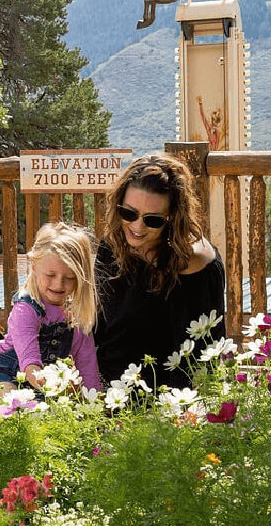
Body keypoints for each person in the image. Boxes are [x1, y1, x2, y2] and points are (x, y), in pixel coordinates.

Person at [93, 154, 226, 389]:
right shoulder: (113, 245)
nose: (137, 226)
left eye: (153, 220)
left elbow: (198, 355)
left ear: (173, 217)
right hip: (106, 389)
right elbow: (101, 328)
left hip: (166, 399)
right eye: (129, 213)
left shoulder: (194, 264)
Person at [0, 222, 102, 392]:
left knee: (72, 395)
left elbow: (88, 368)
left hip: (43, 387)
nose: (59, 284)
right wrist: (53, 391)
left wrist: (96, 401)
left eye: (70, 278)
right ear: (34, 266)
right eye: (51, 275)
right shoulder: (26, 309)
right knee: (4, 393)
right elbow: (31, 366)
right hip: (9, 376)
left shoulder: (76, 316)